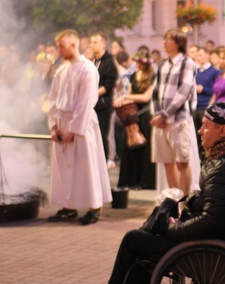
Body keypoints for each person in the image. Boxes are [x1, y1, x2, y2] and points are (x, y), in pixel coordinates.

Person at [86, 102, 225, 284]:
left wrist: (172, 228)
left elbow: (212, 220)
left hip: (206, 252)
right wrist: (190, 202)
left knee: (134, 241)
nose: (199, 130)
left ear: (222, 130)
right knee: (156, 221)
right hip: (220, 240)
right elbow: (215, 204)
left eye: (205, 126)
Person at [47, 30, 112, 225]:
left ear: (73, 45)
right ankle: (69, 206)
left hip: (81, 124)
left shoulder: (87, 69)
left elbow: (86, 101)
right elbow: (53, 100)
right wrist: (54, 126)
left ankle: (94, 207)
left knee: (86, 166)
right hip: (62, 122)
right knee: (65, 170)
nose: (59, 50)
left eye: (62, 46)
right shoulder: (61, 70)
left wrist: (74, 130)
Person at [150, 28, 197, 195]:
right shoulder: (163, 63)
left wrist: (164, 114)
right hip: (161, 121)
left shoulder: (187, 63)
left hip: (178, 119)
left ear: (178, 42)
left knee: (182, 162)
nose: (164, 42)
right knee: (167, 163)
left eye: (168, 39)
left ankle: (183, 203)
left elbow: (184, 92)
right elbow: (155, 91)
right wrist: (157, 113)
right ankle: (174, 200)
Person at [115, 52, 156, 190]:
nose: (137, 65)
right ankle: (130, 180)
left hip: (145, 115)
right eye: (137, 62)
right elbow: (131, 94)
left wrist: (127, 97)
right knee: (130, 146)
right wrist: (123, 101)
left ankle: (144, 182)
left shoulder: (153, 76)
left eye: (140, 62)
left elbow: (146, 97)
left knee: (144, 148)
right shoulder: (134, 76)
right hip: (133, 114)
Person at [89, 33, 118, 162]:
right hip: (92, 104)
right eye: (91, 42)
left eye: (95, 42)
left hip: (103, 105)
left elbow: (108, 86)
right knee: (93, 136)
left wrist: (91, 94)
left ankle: (104, 163)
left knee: (102, 135)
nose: (92, 45)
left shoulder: (109, 62)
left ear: (103, 44)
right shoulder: (93, 62)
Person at [192, 46, 220, 155]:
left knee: (207, 135)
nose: (199, 58)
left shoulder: (214, 72)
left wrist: (203, 89)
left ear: (207, 55)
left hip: (206, 105)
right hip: (195, 106)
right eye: (197, 55)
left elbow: (216, 90)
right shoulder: (196, 72)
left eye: (201, 55)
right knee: (197, 135)